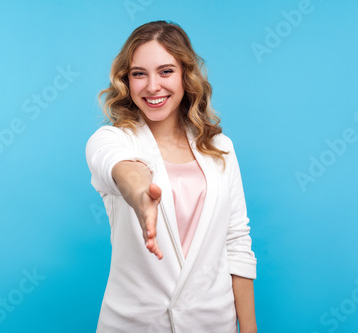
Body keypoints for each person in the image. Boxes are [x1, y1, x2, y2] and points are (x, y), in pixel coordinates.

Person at [86, 20, 257, 333]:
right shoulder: (111, 139)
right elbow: (120, 167)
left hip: (213, 324)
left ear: (185, 76)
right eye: (139, 74)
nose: (152, 86)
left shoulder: (220, 148)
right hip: (133, 324)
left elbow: (236, 242)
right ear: (127, 80)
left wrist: (249, 329)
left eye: (165, 71)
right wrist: (141, 196)